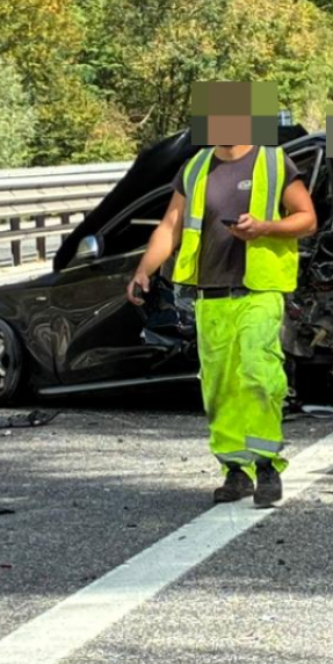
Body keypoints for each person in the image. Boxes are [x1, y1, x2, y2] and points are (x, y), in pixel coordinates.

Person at [128, 142, 317, 506]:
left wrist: (265, 227)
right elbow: (171, 225)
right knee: (219, 388)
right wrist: (144, 270)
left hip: (258, 290)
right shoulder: (196, 166)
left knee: (258, 373)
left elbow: (307, 218)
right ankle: (235, 471)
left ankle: (266, 466)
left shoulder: (274, 162)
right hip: (209, 296)